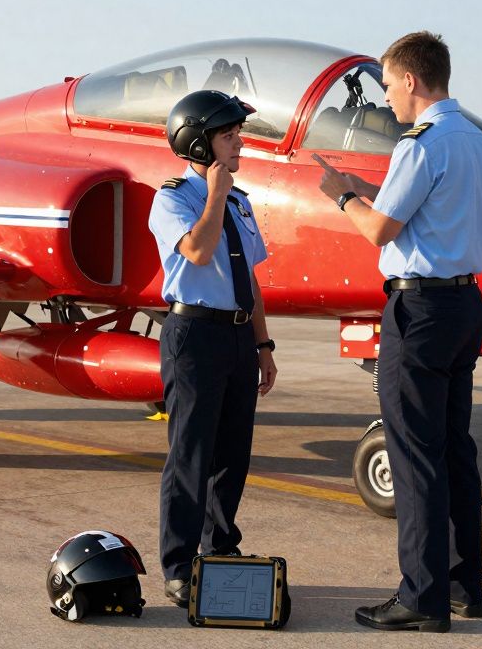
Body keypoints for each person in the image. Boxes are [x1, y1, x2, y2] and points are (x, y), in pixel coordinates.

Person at [315, 31, 482, 633]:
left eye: (389, 84)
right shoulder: (471, 139)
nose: (387, 97)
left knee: (414, 455)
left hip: (418, 314)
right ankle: (463, 585)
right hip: (465, 305)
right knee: (453, 448)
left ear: (412, 81)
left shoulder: (419, 144)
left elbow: (381, 232)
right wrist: (369, 193)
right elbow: (431, 212)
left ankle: (421, 597)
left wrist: (343, 196)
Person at [148, 89, 278, 608]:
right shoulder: (174, 198)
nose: (239, 144)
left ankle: (220, 547)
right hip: (194, 337)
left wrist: (263, 345)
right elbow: (198, 253)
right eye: (228, 136)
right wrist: (215, 195)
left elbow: (250, 278)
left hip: (238, 335)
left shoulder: (241, 202)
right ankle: (178, 566)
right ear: (199, 144)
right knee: (190, 456)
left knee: (232, 455)